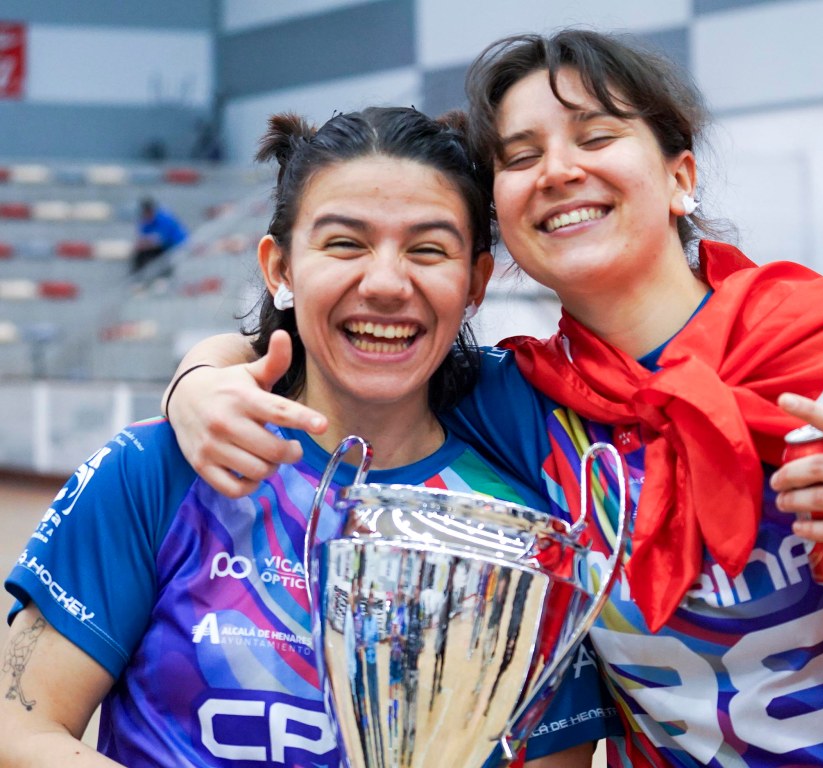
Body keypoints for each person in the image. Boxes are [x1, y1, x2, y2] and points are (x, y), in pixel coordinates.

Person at [157, 29, 823, 768]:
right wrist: (199, 380)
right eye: (520, 156)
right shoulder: (521, 403)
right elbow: (328, 355)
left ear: (682, 177)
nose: (558, 171)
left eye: (596, 135)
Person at [0, 107, 611, 767]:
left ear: (476, 282)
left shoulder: (525, 535)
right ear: (280, 269)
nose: (385, 284)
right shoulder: (158, 468)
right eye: (345, 243)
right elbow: (19, 730)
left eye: (428, 249)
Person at [131, 197, 188, 284]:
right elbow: (141, 237)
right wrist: (141, 244)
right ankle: (137, 279)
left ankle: (166, 278)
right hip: (162, 246)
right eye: (145, 212)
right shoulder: (144, 220)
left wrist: (146, 243)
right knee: (139, 254)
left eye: (148, 212)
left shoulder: (164, 218)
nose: (146, 214)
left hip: (177, 246)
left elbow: (164, 238)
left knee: (164, 259)